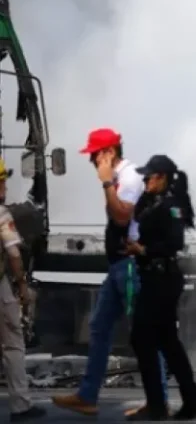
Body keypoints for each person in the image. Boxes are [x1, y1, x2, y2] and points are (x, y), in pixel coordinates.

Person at [53, 129, 167, 417]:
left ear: (109, 153)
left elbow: (121, 215)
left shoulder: (128, 178)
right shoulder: (122, 178)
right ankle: (87, 396)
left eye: (94, 155)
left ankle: (158, 402)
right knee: (100, 327)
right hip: (119, 265)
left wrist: (105, 183)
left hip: (131, 267)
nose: (91, 161)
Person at [124, 154, 196, 420]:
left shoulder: (171, 206)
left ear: (162, 177)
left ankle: (160, 404)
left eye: (149, 177)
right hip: (153, 277)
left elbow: (175, 242)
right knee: (166, 341)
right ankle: (186, 401)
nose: (145, 181)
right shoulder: (154, 202)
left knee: (144, 338)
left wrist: (143, 249)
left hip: (162, 278)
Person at [0, 159, 46, 422]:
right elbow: (14, 255)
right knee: (13, 342)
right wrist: (22, 286)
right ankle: (21, 406)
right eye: (2, 181)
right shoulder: (2, 215)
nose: (5, 186)